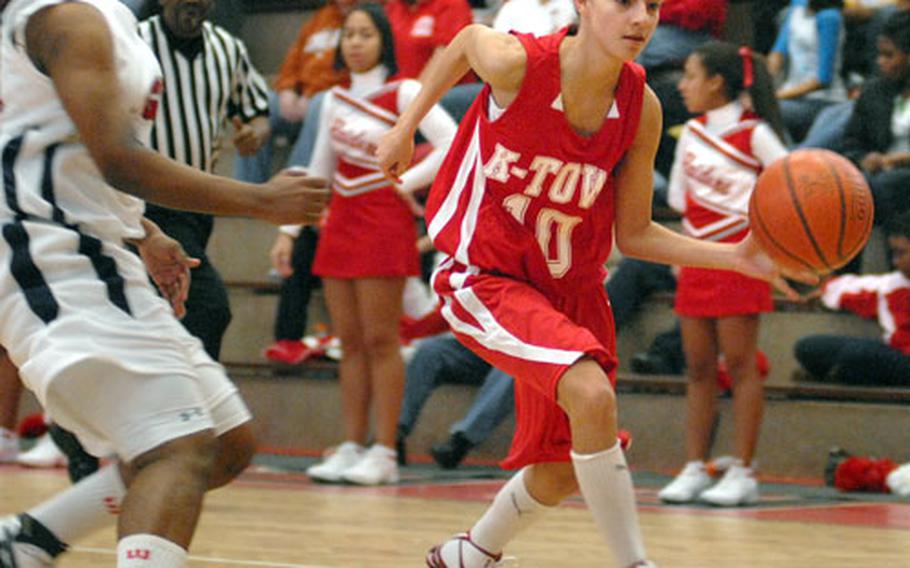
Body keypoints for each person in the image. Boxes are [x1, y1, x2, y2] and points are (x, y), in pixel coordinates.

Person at [377, 1, 809, 565]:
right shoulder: (518, 64)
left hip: (568, 291)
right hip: (484, 275)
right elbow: (462, 42)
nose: (640, 18)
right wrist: (404, 129)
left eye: (652, 5)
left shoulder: (642, 107)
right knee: (591, 392)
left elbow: (634, 234)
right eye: (624, 2)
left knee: (557, 473)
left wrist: (739, 257)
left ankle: (469, 553)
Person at [0, 2, 328, 567]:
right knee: (180, 448)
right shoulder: (65, 18)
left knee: (226, 445)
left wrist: (142, 230)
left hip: (95, 247)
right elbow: (119, 160)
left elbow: (55, 149)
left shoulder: (105, 17)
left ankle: (29, 539)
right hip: (52, 254)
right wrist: (260, 200)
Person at [294, 3, 456, 486]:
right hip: (340, 221)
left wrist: (403, 184)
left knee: (384, 341)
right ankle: (350, 443)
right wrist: (289, 231)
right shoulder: (333, 99)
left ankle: (384, 450)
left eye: (365, 33)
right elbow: (320, 168)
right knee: (350, 343)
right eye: (349, 35)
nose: (356, 43)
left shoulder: (404, 91)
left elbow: (452, 144)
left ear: (384, 39)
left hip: (383, 221)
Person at [656, 42, 788, 507]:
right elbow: (675, 198)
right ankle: (695, 466)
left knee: (740, 364)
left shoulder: (755, 135)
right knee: (696, 367)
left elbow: (791, 185)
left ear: (716, 81)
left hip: (741, 258)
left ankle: (744, 471)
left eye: (690, 75)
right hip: (698, 257)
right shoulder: (690, 132)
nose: (682, 85)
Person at [139, 0, 271, 361]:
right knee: (208, 308)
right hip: (146, 198)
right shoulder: (134, 41)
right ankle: (196, 404)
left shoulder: (228, 48)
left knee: (164, 314)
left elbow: (257, 111)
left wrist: (254, 135)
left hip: (197, 206)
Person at [234, 0, 355, 185]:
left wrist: (312, 96)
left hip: (337, 103)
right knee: (263, 102)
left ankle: (291, 187)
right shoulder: (321, 18)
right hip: (301, 99)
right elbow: (292, 62)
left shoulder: (368, 16)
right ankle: (246, 189)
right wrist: (287, 90)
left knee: (322, 103)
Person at [794, 210, 910, 386]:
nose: (895, 262)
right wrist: (825, 290)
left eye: (901, 253)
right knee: (808, 347)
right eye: (893, 254)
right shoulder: (892, 285)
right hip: (895, 354)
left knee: (859, 355)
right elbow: (848, 287)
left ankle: (846, 374)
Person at [397, 332, 515, 470]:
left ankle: (461, 441)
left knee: (515, 363)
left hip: (519, 348)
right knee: (430, 350)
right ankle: (397, 433)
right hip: (481, 346)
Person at [840, 10, 910, 228]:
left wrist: (894, 160)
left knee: (875, 187)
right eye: (879, 54)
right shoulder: (874, 91)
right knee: (842, 188)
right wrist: (865, 159)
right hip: (881, 173)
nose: (880, 62)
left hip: (899, 173)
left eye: (889, 55)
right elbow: (851, 144)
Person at [768, 0, 848, 144]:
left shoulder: (829, 17)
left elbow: (823, 79)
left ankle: (789, 156)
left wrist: (777, 96)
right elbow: (779, 51)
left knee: (771, 110)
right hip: (790, 93)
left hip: (822, 99)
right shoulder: (797, 6)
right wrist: (763, 85)